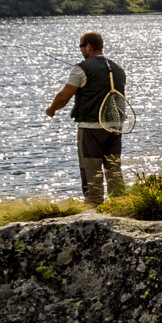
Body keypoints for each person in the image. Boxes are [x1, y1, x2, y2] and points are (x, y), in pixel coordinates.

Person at [43, 30, 126, 205]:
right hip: (115, 128)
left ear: (88, 46)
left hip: (90, 129)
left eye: (81, 46)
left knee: (91, 172)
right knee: (114, 171)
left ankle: (93, 207)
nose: (80, 50)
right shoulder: (118, 69)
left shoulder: (81, 69)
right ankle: (120, 205)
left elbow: (64, 96)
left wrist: (51, 109)